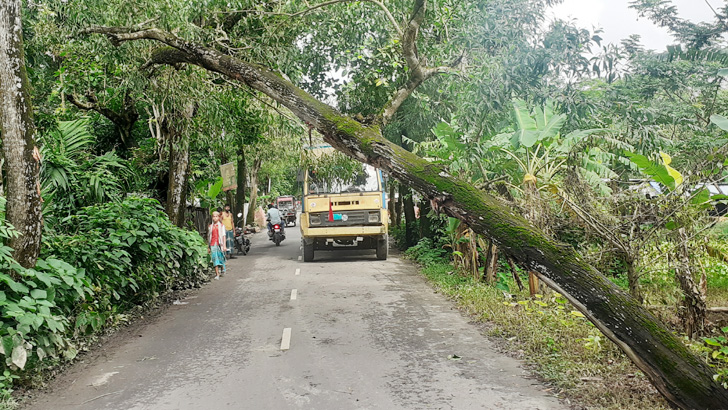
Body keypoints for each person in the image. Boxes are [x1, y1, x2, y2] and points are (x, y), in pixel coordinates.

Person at [208, 211, 227, 280]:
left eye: (216, 216)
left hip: (219, 244)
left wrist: (224, 245)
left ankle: (222, 267)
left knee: (221, 258)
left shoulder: (221, 226)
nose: (215, 218)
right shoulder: (210, 227)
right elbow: (209, 237)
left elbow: (223, 236)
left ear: (219, 217)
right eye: (214, 216)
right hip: (213, 244)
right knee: (214, 259)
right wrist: (209, 247)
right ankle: (217, 274)